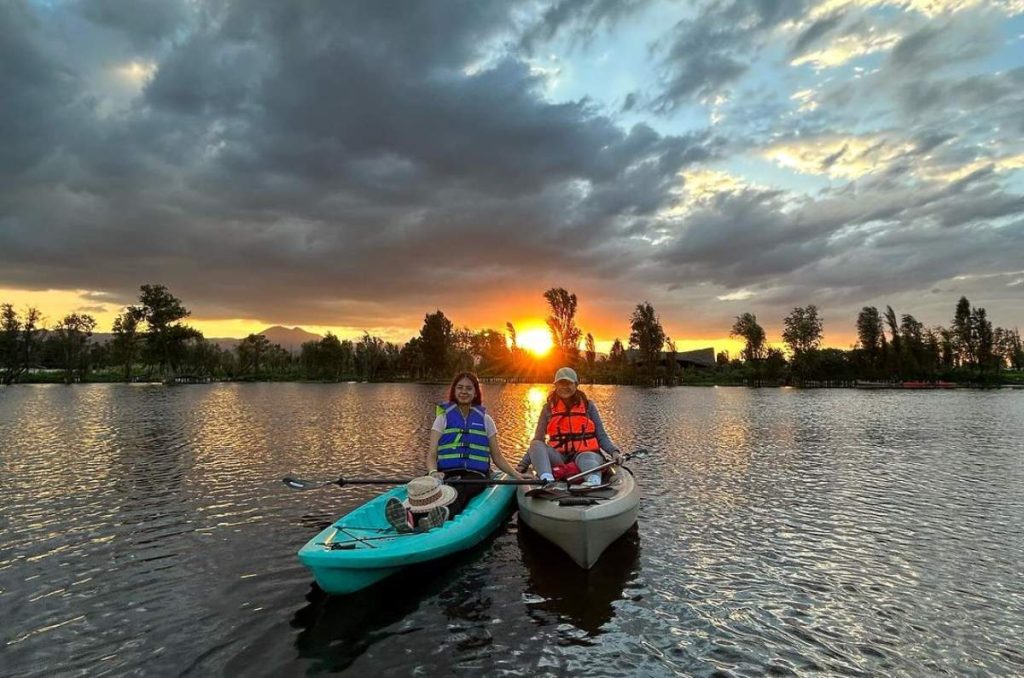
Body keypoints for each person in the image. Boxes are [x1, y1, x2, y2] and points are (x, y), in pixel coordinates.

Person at [424, 371, 524, 518]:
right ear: (454, 391)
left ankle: (440, 516)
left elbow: (497, 457)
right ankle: (411, 517)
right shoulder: (442, 418)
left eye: (469, 388)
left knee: (459, 488)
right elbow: (432, 454)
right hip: (446, 473)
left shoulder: (486, 420)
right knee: (427, 488)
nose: (464, 391)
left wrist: (516, 474)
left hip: (475, 475)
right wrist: (433, 473)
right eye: (460, 387)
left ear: (476, 393)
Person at [517, 366, 623, 487]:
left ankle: (593, 480)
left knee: (587, 456)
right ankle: (548, 480)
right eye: (560, 383)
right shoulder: (547, 409)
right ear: (555, 385)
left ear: (576, 384)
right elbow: (537, 442)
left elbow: (601, 436)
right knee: (535, 443)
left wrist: (614, 452)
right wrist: (523, 465)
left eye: (568, 383)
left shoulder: (588, 406)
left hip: (586, 455)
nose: (564, 387)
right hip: (559, 459)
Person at [385, 475, 456, 533]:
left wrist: (433, 471)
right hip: (437, 507)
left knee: (413, 514)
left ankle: (409, 522)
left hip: (415, 505)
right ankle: (430, 523)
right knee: (450, 508)